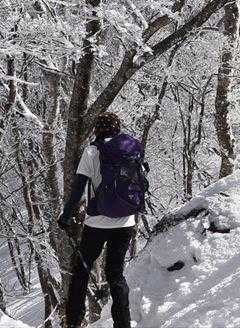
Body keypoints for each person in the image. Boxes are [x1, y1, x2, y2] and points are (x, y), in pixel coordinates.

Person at [57, 111, 147, 328]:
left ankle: (73, 322)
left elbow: (78, 188)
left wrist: (65, 217)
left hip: (96, 223)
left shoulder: (92, 151)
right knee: (116, 275)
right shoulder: (130, 148)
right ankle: (123, 324)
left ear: (97, 129)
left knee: (82, 270)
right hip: (126, 222)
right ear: (117, 128)